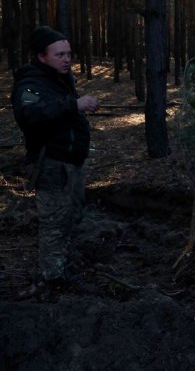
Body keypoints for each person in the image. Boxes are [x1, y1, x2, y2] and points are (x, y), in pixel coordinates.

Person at [11, 26, 100, 298]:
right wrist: (73, 105)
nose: (66, 59)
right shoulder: (31, 84)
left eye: (69, 54)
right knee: (54, 222)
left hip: (71, 161)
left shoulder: (60, 79)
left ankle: (61, 264)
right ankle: (52, 278)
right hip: (51, 164)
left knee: (71, 214)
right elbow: (30, 115)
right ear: (41, 56)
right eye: (59, 54)